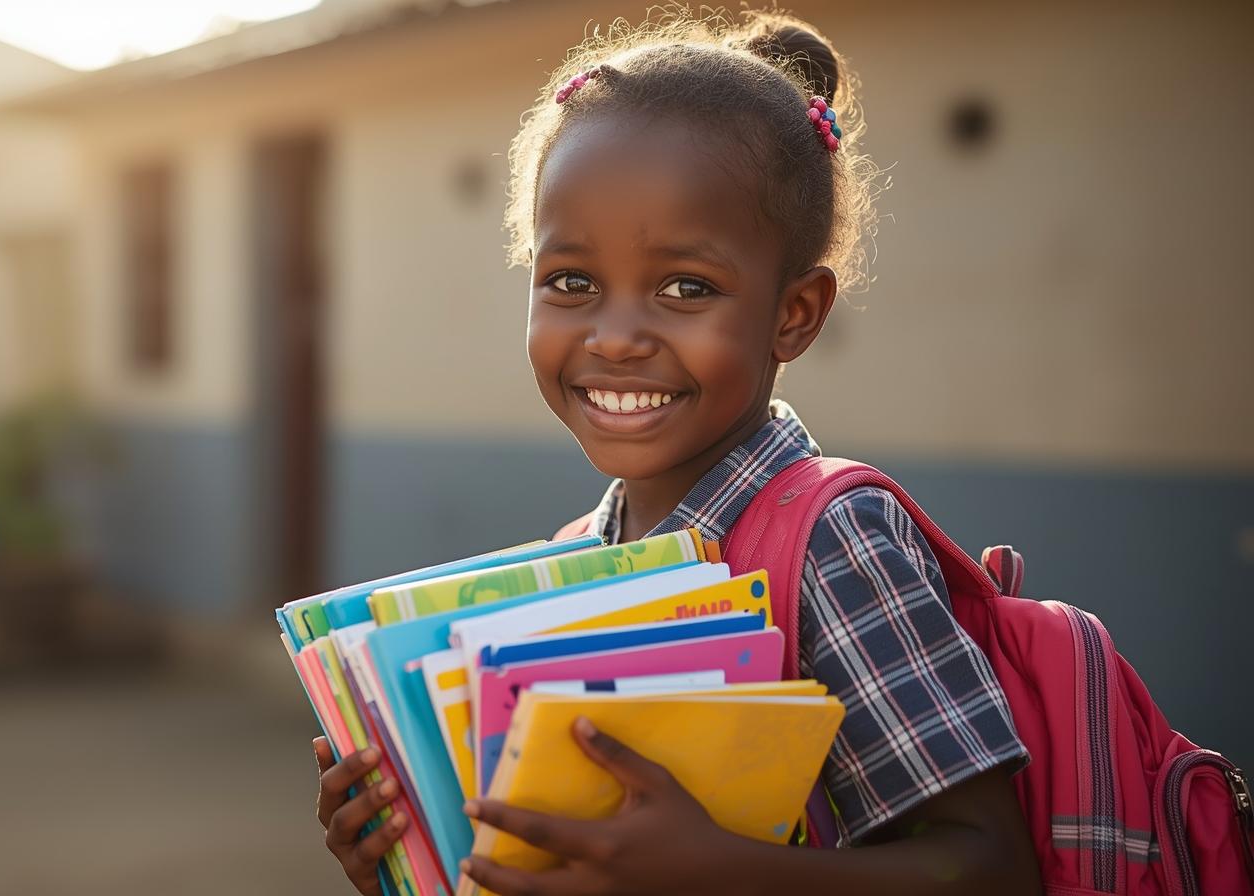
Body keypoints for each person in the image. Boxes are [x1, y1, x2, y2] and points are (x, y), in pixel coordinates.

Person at [314, 11, 1041, 895]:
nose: (616, 337)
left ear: (794, 315)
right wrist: (418, 854)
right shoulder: (578, 560)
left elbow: (992, 867)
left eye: (685, 287)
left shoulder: (832, 543)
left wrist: (721, 872)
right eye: (571, 281)